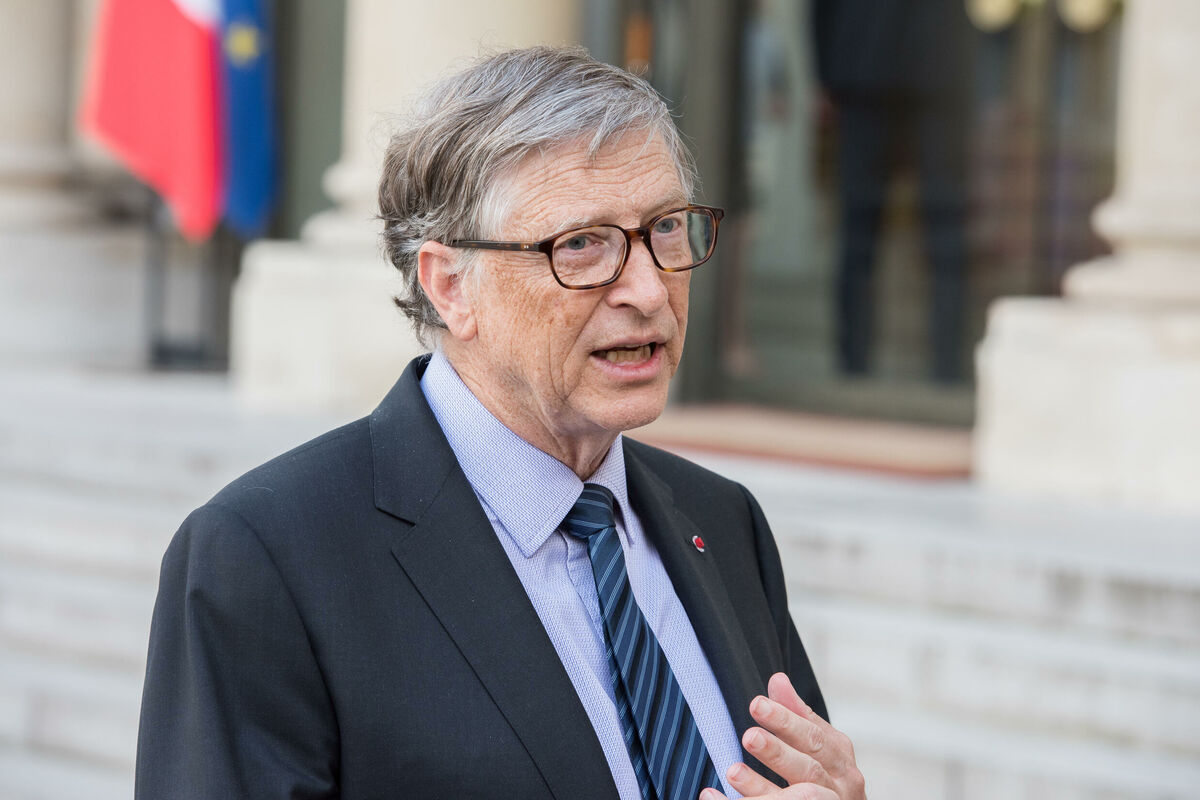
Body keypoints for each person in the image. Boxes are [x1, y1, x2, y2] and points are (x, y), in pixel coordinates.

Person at [135, 46, 866, 800]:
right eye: (582, 245)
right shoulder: (267, 558)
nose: (649, 291)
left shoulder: (724, 521)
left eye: (667, 229)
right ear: (450, 286)